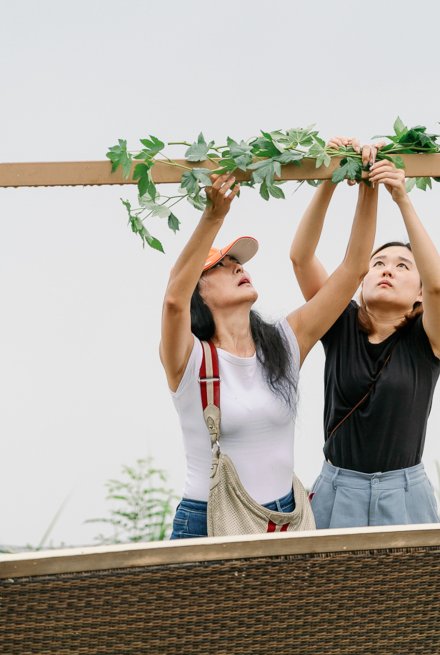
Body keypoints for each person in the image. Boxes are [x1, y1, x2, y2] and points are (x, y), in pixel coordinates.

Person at [162, 156, 379, 539]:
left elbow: (354, 269)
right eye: (222, 265)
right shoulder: (190, 358)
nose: (238, 268)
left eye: (239, 262)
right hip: (211, 520)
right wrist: (213, 217)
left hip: (284, 520)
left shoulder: (283, 341)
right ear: (199, 292)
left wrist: (367, 184)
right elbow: (173, 301)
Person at [289, 142, 440, 529]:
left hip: (405, 493)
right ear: (361, 283)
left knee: (411, 591)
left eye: (402, 266)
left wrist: (401, 198)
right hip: (337, 488)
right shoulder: (339, 323)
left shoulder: (428, 338)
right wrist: (329, 180)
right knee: (329, 591)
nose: (387, 269)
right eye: (378, 263)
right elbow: (301, 257)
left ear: (418, 294)